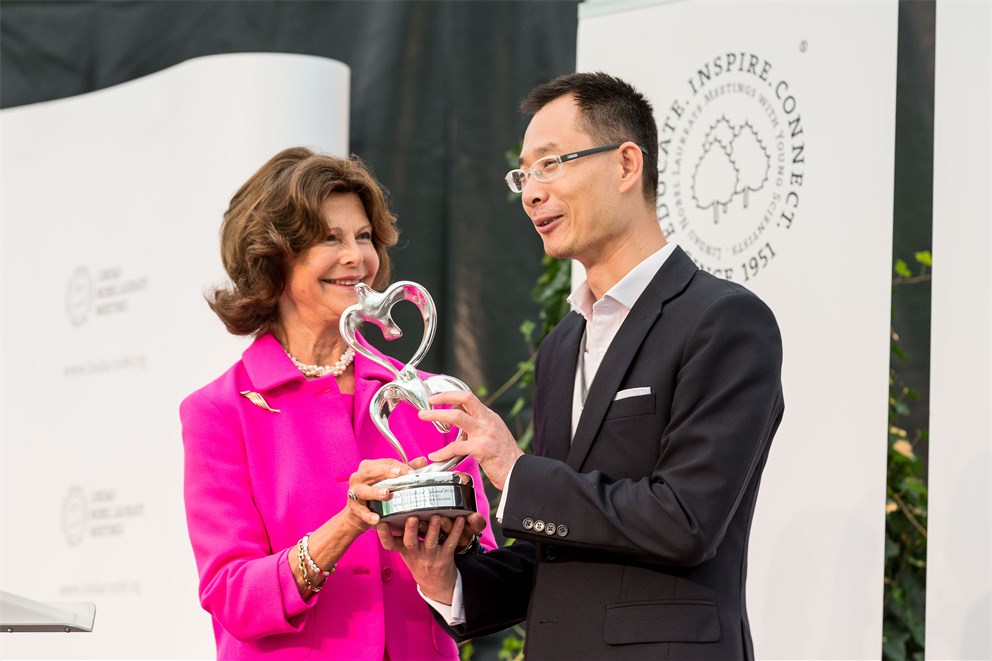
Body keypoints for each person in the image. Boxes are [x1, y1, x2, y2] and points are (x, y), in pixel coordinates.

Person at [378, 73, 785, 660]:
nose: (531, 192)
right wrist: (449, 579)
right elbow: (563, 548)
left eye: (552, 164)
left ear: (625, 165)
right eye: (524, 174)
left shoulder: (724, 321)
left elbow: (686, 518)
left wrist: (514, 471)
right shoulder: (562, 346)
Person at [180, 147, 495, 660]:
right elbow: (233, 595)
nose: (357, 258)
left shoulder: (430, 396)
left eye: (364, 237)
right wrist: (349, 522)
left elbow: (483, 575)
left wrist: (448, 551)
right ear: (273, 255)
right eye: (330, 238)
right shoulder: (219, 411)